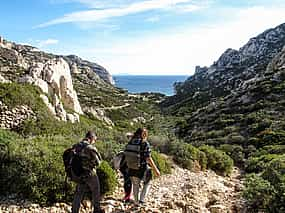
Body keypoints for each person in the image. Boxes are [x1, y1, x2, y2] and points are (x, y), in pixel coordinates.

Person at [71, 131, 104, 213]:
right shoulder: (90, 148)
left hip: (78, 173)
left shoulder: (76, 145)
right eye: (95, 140)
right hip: (89, 173)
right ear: (91, 138)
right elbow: (98, 162)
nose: (95, 141)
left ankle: (74, 210)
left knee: (79, 193)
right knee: (96, 190)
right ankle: (97, 209)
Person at [126, 128, 160, 204]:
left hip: (131, 167)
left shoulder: (130, 142)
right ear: (143, 134)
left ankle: (136, 202)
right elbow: (148, 158)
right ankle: (141, 200)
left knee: (135, 185)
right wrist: (156, 169)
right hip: (141, 168)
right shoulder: (144, 143)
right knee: (147, 182)